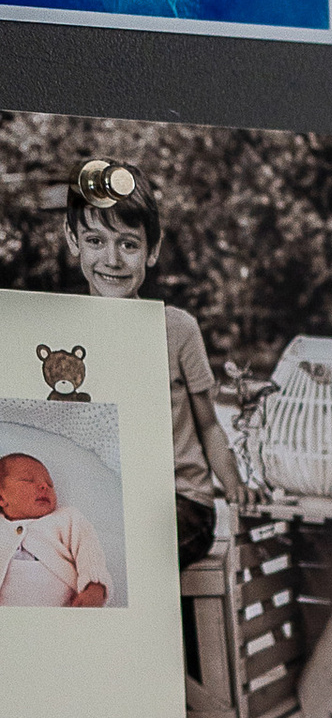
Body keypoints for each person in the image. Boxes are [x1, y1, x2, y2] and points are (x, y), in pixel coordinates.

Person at [61, 154, 248, 575]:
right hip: (108, 501)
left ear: (152, 250)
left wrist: (234, 485)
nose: (112, 259)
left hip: (181, 504)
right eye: (95, 241)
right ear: (73, 240)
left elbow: (209, 425)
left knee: (123, 548)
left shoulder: (178, 328)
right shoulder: (62, 334)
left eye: (128, 244)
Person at [0, 450, 111, 607]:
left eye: (50, 484)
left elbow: (89, 550)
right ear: (1, 498)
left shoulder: (67, 518)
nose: (44, 486)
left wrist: (95, 586)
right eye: (28, 480)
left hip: (63, 610)